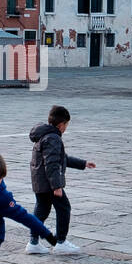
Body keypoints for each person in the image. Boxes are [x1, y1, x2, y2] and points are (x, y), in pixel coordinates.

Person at [27, 105, 96, 255]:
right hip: (49, 183)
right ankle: (61, 242)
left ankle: (33, 242)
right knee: (64, 208)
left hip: (40, 181)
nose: (66, 128)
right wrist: (56, 186)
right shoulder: (54, 138)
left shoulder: (44, 135)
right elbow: (52, 164)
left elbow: (61, 159)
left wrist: (83, 163)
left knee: (42, 210)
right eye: (66, 125)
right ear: (61, 124)